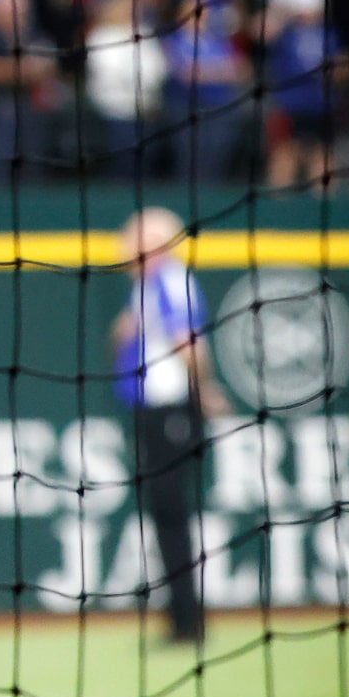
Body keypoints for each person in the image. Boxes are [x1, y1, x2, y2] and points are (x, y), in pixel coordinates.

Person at [110, 208, 228, 647]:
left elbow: (188, 344)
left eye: (134, 240)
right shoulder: (146, 287)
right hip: (155, 412)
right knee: (165, 517)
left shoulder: (168, 280)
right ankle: (181, 619)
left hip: (171, 412)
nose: (124, 250)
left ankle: (187, 624)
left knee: (172, 515)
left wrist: (204, 389)